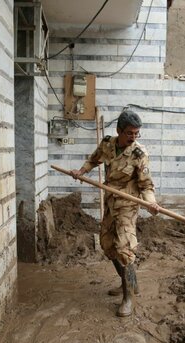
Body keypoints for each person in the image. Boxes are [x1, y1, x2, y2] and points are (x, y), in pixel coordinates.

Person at [70, 110, 160, 317]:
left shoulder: (139, 154)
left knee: (124, 249)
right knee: (107, 245)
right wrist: (81, 172)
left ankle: (128, 298)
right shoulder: (108, 143)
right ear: (119, 130)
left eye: (137, 133)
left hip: (128, 204)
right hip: (111, 201)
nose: (134, 137)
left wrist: (151, 203)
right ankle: (127, 282)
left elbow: (146, 185)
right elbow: (94, 160)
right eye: (130, 133)